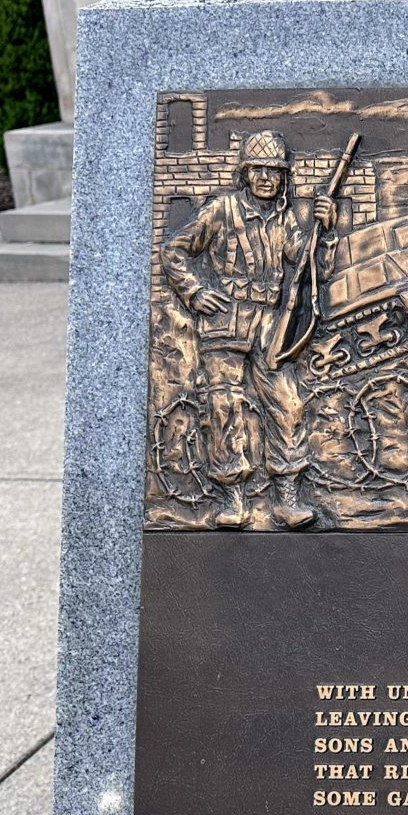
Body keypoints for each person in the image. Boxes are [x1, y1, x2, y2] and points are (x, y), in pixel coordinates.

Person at [161, 130, 346, 529]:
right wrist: (194, 292)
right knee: (224, 408)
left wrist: (325, 231)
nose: (265, 177)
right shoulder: (221, 210)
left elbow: (310, 268)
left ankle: (288, 497)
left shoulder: (285, 219)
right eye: (258, 169)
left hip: (269, 323)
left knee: (288, 403)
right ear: (245, 173)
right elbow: (174, 251)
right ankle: (232, 498)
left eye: (274, 170)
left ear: (283, 176)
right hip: (225, 320)